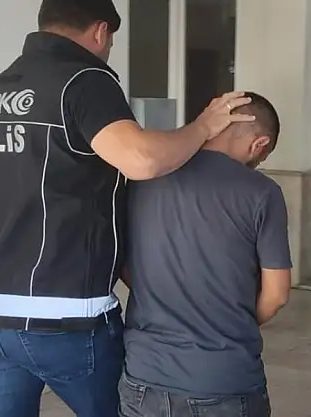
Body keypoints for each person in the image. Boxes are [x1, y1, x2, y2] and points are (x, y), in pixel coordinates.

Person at [0, 0, 255, 416]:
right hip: (62, 314)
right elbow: (141, 159)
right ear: (100, 31)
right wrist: (203, 126)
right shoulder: (83, 79)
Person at [119, 92, 291, 417]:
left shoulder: (145, 178)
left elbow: (123, 264)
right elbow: (277, 294)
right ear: (260, 144)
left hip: (144, 377)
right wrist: (231, 319)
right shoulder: (262, 192)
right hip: (224, 381)